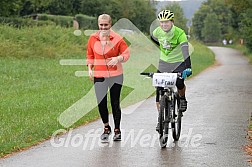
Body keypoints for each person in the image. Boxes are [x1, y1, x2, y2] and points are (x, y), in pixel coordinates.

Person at [86, 14, 130, 141]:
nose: (103, 27)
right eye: (101, 25)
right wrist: (90, 68)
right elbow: (90, 54)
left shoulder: (117, 38)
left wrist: (118, 58)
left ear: (110, 24)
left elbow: (126, 54)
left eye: (106, 25)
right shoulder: (93, 38)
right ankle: (106, 128)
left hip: (116, 75)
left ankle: (117, 130)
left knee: (115, 102)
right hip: (99, 75)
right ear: (98, 24)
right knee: (101, 103)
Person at [151, 10, 192, 131]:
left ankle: (182, 98)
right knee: (159, 88)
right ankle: (160, 118)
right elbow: (153, 37)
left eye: (166, 22)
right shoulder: (157, 31)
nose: (164, 25)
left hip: (179, 61)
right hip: (164, 62)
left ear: (172, 22)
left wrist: (188, 67)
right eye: (162, 22)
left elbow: (185, 51)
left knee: (179, 81)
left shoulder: (180, 33)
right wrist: (162, 48)